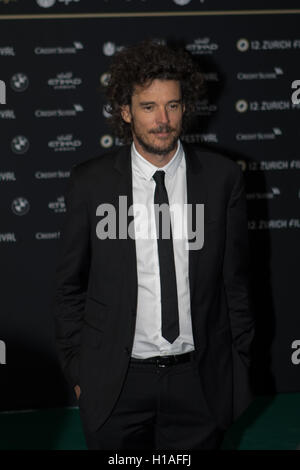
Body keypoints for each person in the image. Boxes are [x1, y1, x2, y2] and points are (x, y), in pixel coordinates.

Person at [53, 40, 255, 450]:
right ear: (126, 111)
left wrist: (238, 366)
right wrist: (81, 375)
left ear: (185, 107)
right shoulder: (91, 184)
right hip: (116, 385)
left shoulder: (221, 180)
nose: (163, 120)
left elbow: (236, 284)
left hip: (199, 382)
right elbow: (68, 288)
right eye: (149, 107)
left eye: (173, 105)